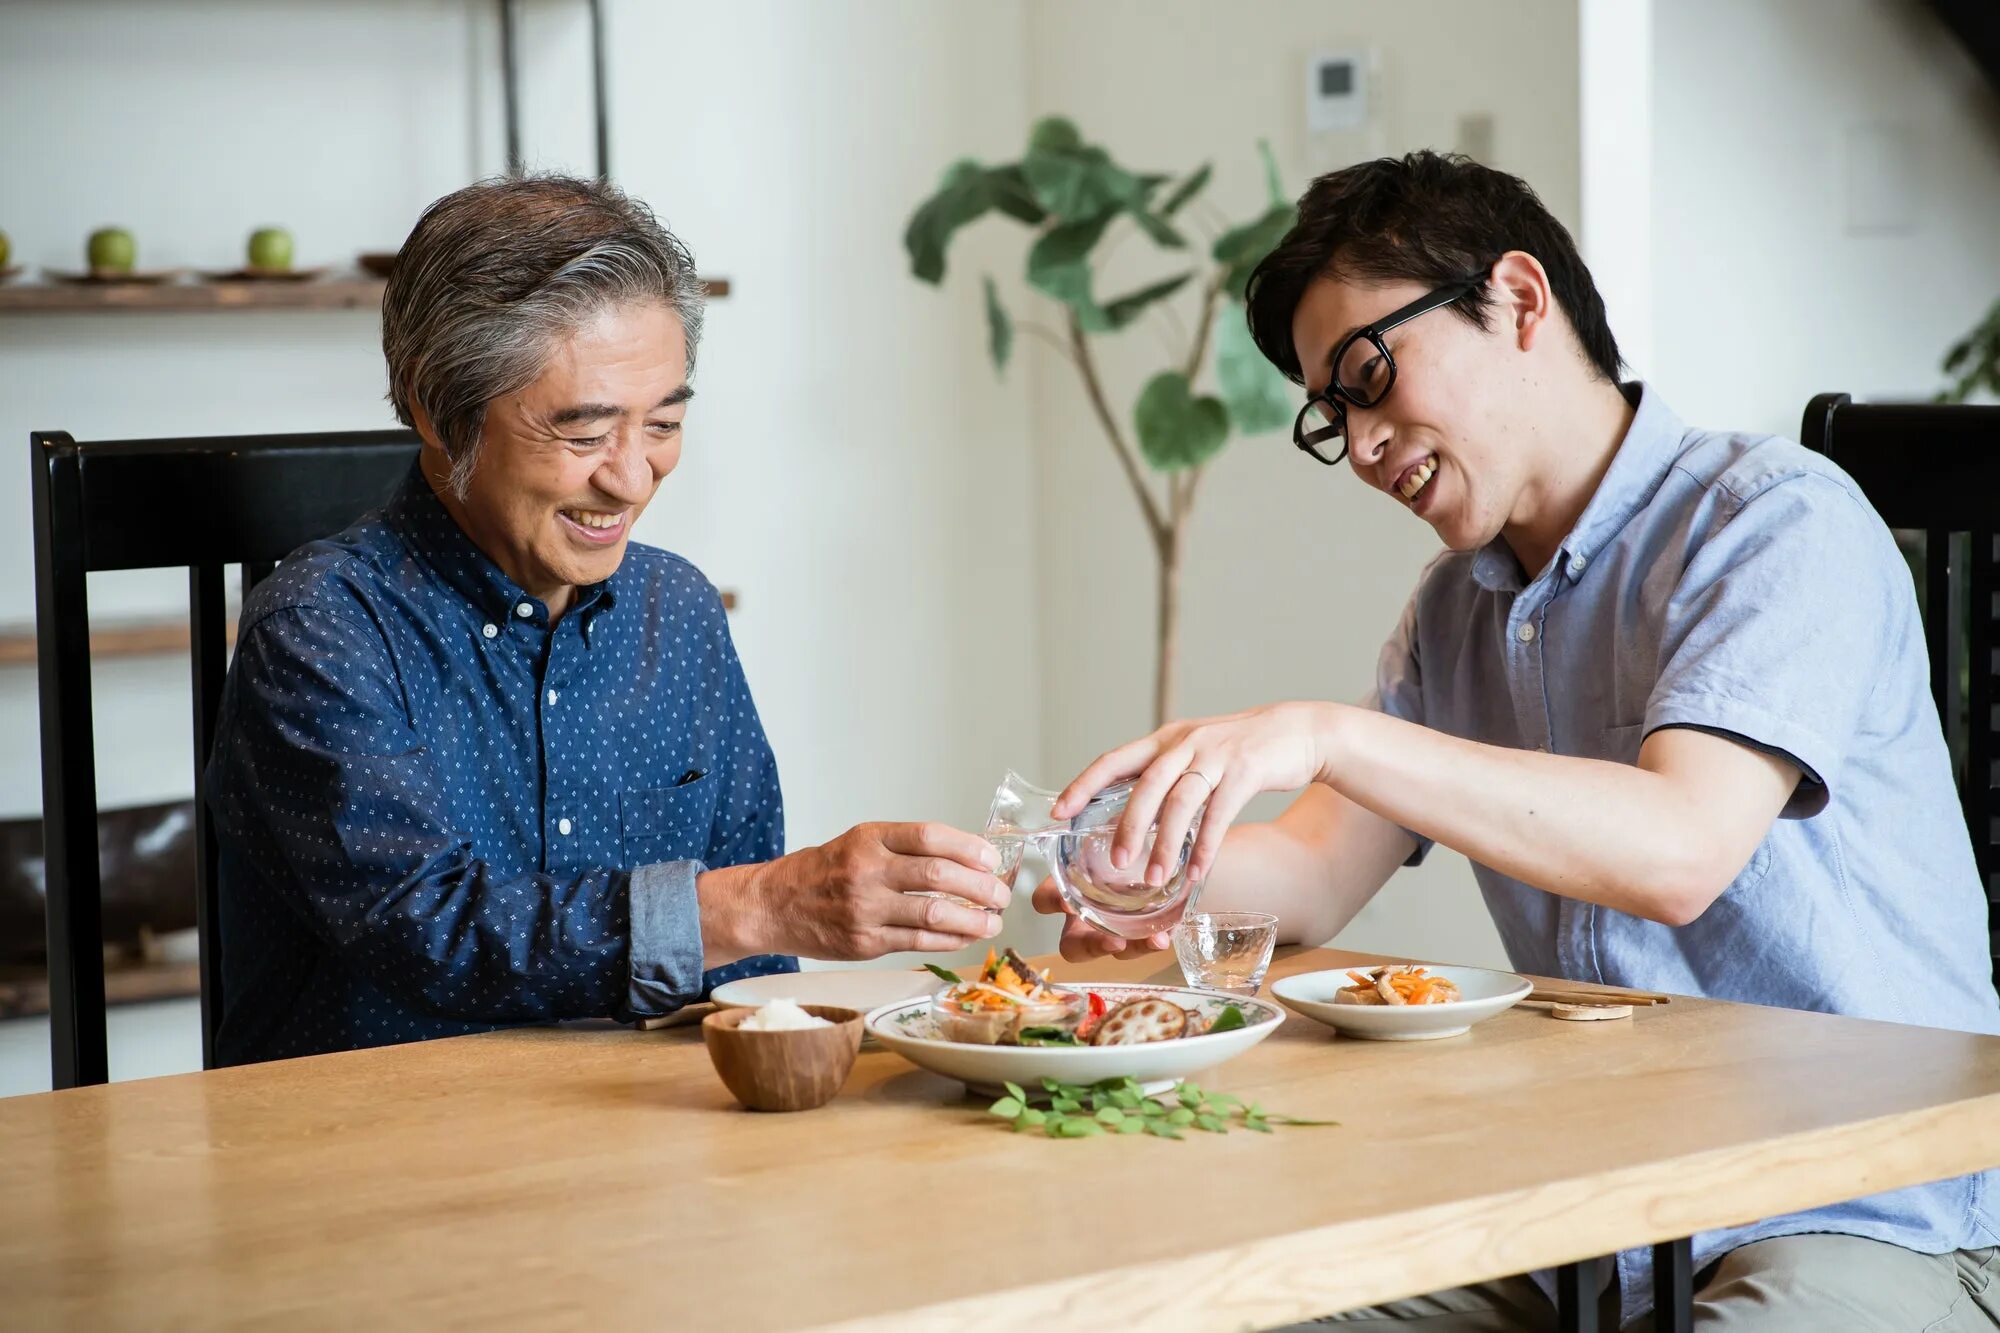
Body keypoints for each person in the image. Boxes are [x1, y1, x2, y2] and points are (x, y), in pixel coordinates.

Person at [1034, 151, 2000, 1330]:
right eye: (1331, 413)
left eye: (1368, 373)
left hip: (1857, 1201)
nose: (1364, 439)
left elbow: (1675, 850)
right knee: (1224, 1307)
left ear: (1519, 298)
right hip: (1589, 1219)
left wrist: (1325, 731)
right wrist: (1119, 859)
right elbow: (1312, 874)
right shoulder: (1455, 610)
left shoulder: (1772, 522)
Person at [207, 175, 1006, 1066]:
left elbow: (751, 972)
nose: (632, 479)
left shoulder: (679, 613)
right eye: (585, 436)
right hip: (368, 1157)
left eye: (663, 421)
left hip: (640, 1140)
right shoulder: (322, 625)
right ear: (438, 409)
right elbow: (432, 936)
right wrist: (758, 903)